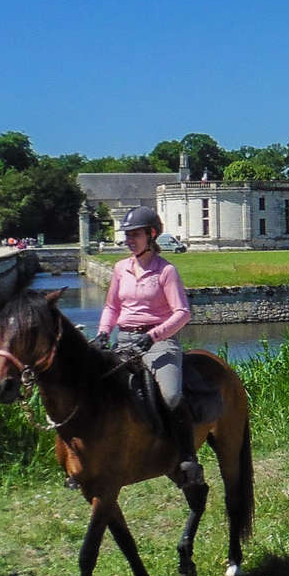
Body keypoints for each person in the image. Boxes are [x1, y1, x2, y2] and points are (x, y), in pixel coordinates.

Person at [94, 206, 201, 485]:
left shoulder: (166, 271)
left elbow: (182, 313)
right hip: (125, 339)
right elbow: (112, 306)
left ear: (151, 234)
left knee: (172, 395)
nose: (129, 240)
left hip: (159, 342)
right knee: (95, 387)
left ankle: (187, 457)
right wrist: (104, 332)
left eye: (135, 235)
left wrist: (154, 335)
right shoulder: (120, 268)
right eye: (127, 235)